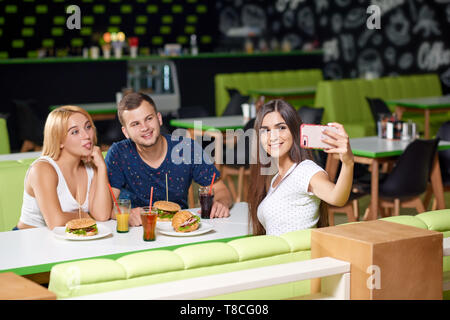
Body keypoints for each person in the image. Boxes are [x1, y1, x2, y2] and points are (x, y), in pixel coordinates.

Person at [105, 92, 232, 226]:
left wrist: (220, 203)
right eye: (135, 124)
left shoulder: (186, 148)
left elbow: (220, 189)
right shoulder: (118, 153)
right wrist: (125, 213)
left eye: (149, 118)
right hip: (137, 230)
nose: (144, 127)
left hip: (179, 228)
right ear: (126, 132)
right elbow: (106, 207)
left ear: (159, 118)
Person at [248, 99, 354, 236]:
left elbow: (337, 197)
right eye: (266, 130)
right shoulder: (276, 177)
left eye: (281, 128)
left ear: (295, 131)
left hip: (296, 256)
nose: (272, 136)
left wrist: (348, 162)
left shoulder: (305, 170)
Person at [17, 106, 112, 230]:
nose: (86, 136)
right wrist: (84, 215)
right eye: (75, 132)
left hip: (68, 238)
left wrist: (102, 168)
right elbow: (55, 222)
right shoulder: (42, 169)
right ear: (59, 140)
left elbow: (101, 215)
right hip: (29, 239)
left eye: (88, 127)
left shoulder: (92, 167)